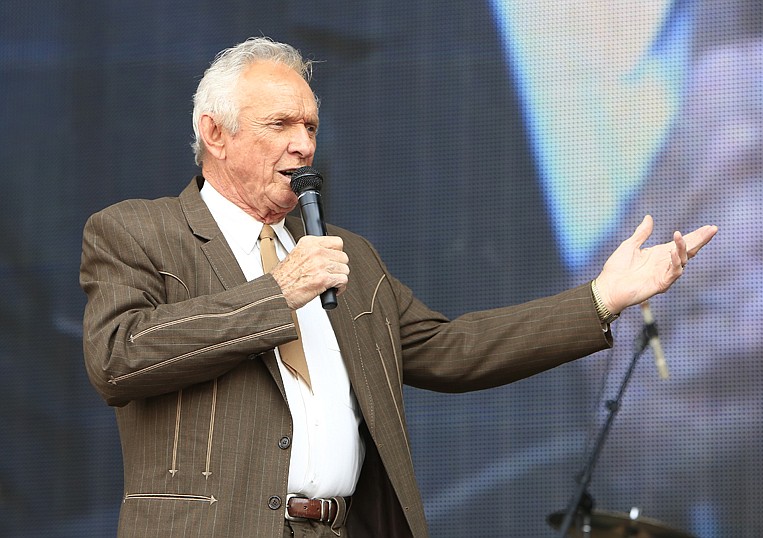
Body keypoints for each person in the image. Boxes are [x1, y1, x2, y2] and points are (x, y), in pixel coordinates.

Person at [79, 37, 716, 538]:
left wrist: (600, 298)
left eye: (311, 127)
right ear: (215, 133)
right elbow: (117, 357)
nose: (304, 146)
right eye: (280, 125)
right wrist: (277, 295)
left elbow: (453, 349)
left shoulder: (345, 256)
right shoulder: (139, 232)